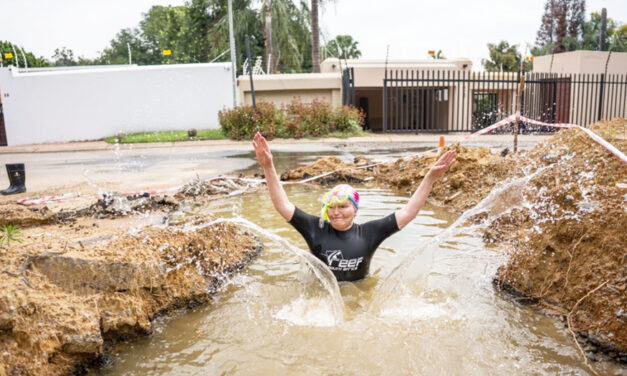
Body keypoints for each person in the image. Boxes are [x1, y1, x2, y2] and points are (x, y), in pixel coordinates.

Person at [252, 132, 457, 282]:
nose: (336, 211)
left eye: (343, 206)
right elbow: (282, 205)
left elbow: (408, 212)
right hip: (322, 296)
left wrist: (430, 178)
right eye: (331, 207)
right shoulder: (316, 228)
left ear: (355, 210)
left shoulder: (369, 233)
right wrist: (268, 166)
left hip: (359, 291)